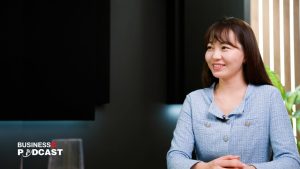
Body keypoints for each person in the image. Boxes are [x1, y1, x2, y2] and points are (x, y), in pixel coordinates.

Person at [166, 17, 300, 169]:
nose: (215, 56)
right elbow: (174, 158)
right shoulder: (194, 100)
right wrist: (205, 167)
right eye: (210, 47)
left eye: (224, 48)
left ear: (246, 55)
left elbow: (290, 160)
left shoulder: (269, 96)